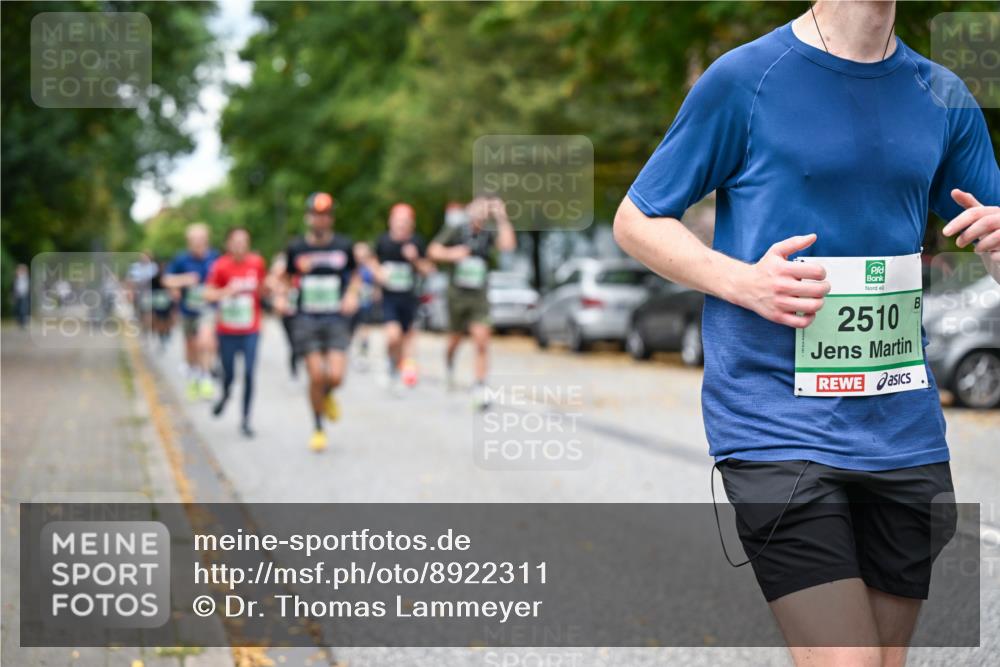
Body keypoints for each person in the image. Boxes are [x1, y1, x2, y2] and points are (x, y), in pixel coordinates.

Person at [613, 2, 999, 664]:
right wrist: (741, 282)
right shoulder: (747, 79)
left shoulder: (942, 94)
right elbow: (637, 220)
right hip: (774, 421)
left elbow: (989, 224)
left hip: (901, 427)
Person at [273, 192, 362, 452]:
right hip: (306, 318)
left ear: (331, 219)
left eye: (325, 215)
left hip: (335, 317)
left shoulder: (344, 246)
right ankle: (318, 427)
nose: (320, 220)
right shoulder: (297, 247)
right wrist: (280, 297)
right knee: (316, 374)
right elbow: (285, 279)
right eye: (316, 215)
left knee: (335, 376)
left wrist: (352, 295)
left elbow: (356, 276)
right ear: (308, 217)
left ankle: (327, 395)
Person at [427, 196, 516, 408]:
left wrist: (502, 218)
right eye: (478, 209)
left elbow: (508, 246)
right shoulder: (456, 229)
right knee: (455, 339)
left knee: (482, 339)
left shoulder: (489, 233)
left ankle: (480, 385)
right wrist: (452, 254)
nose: (480, 214)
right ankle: (449, 363)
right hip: (457, 295)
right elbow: (432, 250)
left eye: (486, 211)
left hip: (479, 295)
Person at [205, 227, 267, 438]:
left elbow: (261, 290)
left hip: (251, 328)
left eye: (245, 241)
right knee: (229, 374)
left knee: (250, 373)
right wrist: (225, 292)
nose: (241, 245)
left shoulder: (257, 263)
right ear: (229, 244)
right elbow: (208, 293)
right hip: (227, 330)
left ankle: (246, 420)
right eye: (236, 242)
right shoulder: (220, 266)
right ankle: (225, 395)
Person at [369, 203, 434, 389]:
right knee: (393, 336)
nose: (401, 225)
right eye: (398, 221)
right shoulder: (383, 241)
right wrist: (378, 273)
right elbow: (372, 261)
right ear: (391, 222)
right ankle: (390, 362)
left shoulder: (417, 243)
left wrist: (415, 259)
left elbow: (427, 269)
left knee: (408, 338)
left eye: (405, 222)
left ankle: (404, 371)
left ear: (411, 224)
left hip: (409, 297)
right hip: (389, 297)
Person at [163, 223, 220, 401]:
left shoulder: (215, 257)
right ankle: (195, 377)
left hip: (208, 308)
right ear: (188, 241)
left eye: (201, 239)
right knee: (191, 347)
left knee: (205, 341)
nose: (198, 243)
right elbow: (167, 280)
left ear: (207, 239)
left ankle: (206, 378)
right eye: (194, 239)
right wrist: (184, 280)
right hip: (188, 309)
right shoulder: (181, 259)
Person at [268, 251, 300, 379]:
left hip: (300, 314)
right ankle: (294, 367)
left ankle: (298, 364)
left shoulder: (298, 278)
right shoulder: (278, 281)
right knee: (292, 342)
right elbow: (270, 283)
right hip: (287, 314)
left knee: (300, 340)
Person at [149, 260, 175, 350]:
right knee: (159, 319)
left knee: (168, 318)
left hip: (167, 300)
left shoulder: (169, 277)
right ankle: (161, 336)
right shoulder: (154, 278)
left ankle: (167, 333)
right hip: (158, 300)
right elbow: (152, 291)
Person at [12, 264, 30, 329]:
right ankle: (20, 322)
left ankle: (23, 323)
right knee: (18, 309)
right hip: (18, 295)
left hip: (24, 295)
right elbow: (14, 287)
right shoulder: (17, 278)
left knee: (23, 309)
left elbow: (26, 287)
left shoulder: (25, 277)